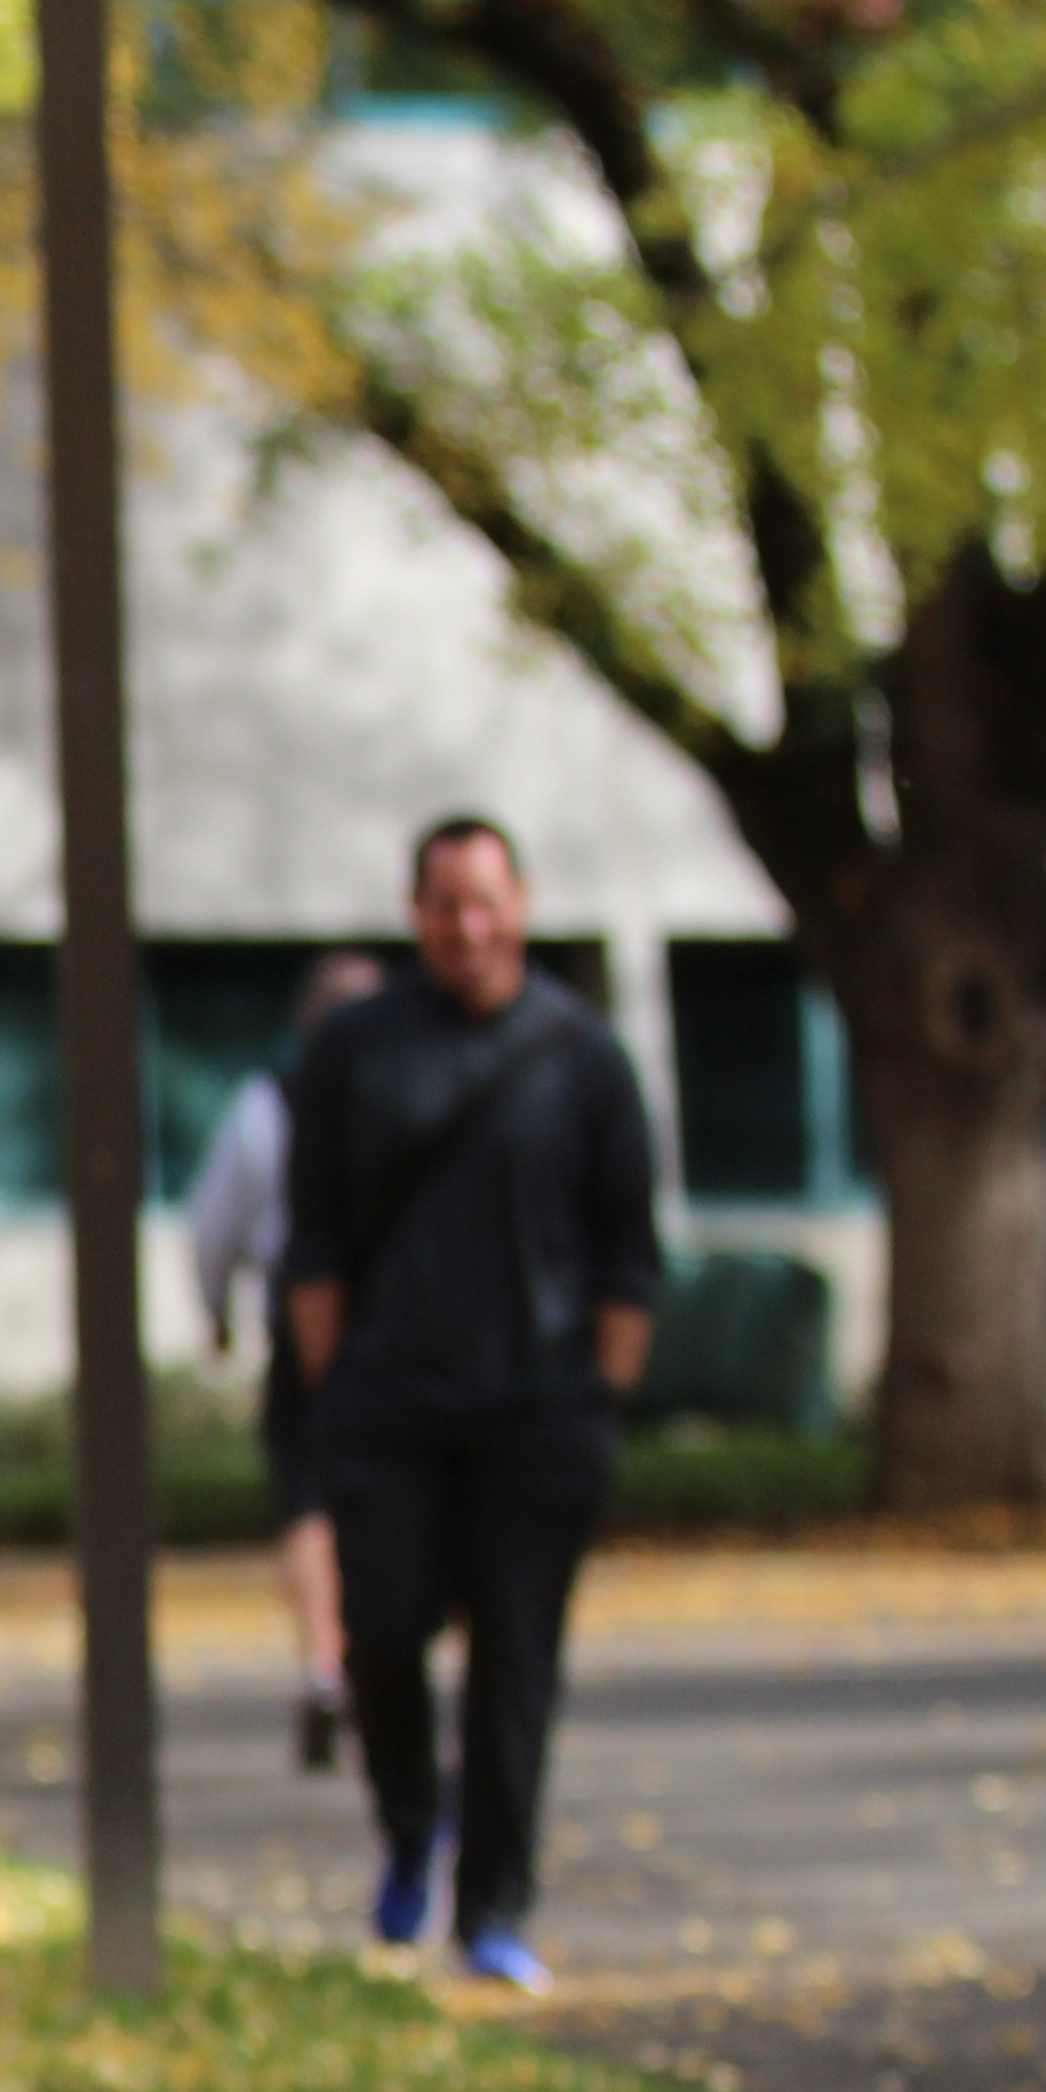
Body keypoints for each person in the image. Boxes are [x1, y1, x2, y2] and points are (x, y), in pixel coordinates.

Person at [281, 816, 660, 1993]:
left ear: (523, 904)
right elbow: (316, 1239)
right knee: (381, 1638)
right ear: (415, 913)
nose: (468, 927)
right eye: (446, 905)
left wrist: (599, 1398)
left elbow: (629, 1252)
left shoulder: (583, 1057)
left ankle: (494, 1910)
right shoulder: (357, 1051)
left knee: (515, 1667)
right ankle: (409, 1824)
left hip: (538, 1414)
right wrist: (334, 1384)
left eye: (487, 902)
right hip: (391, 1407)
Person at [186, 951, 383, 1772]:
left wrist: (219, 1316)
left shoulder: (265, 1106)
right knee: (376, 1503)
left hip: (305, 1326)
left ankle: (323, 1659)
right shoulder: (407, 1097)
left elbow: (212, 1228)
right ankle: (367, 1661)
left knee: (306, 1502)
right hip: (390, 1331)